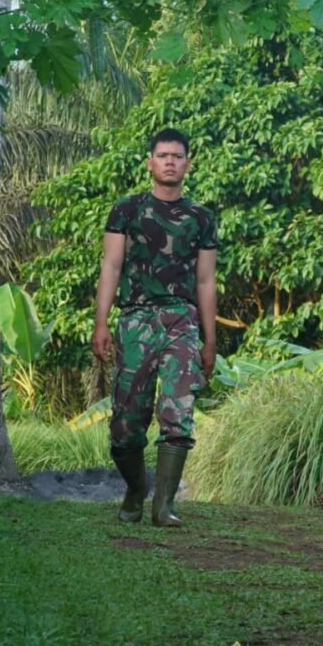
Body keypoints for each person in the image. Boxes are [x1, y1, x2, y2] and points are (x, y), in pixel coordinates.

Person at [91, 128, 217, 527]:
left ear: (188, 164)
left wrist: (210, 340)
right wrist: (102, 324)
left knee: (178, 413)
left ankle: (164, 507)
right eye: (162, 155)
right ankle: (135, 489)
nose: (169, 161)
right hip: (135, 321)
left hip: (181, 321)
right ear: (150, 162)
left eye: (177, 156)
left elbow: (206, 281)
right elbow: (111, 267)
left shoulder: (201, 217)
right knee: (126, 424)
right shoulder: (126, 211)